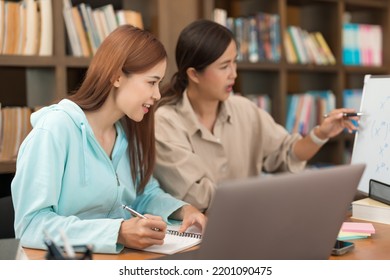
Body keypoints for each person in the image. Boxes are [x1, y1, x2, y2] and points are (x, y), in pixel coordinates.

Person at [11, 25, 206, 254]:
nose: (157, 95)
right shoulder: (55, 130)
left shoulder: (128, 133)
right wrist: (118, 232)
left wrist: (185, 211)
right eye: (151, 82)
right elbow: (31, 224)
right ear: (116, 76)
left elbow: (144, 194)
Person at [153, 19, 359, 212]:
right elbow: (196, 196)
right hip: (197, 233)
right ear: (193, 74)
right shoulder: (166, 122)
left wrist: (322, 133)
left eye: (234, 63)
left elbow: (286, 154)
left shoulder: (244, 109)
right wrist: (264, 197)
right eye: (224, 66)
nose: (234, 74)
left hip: (248, 222)